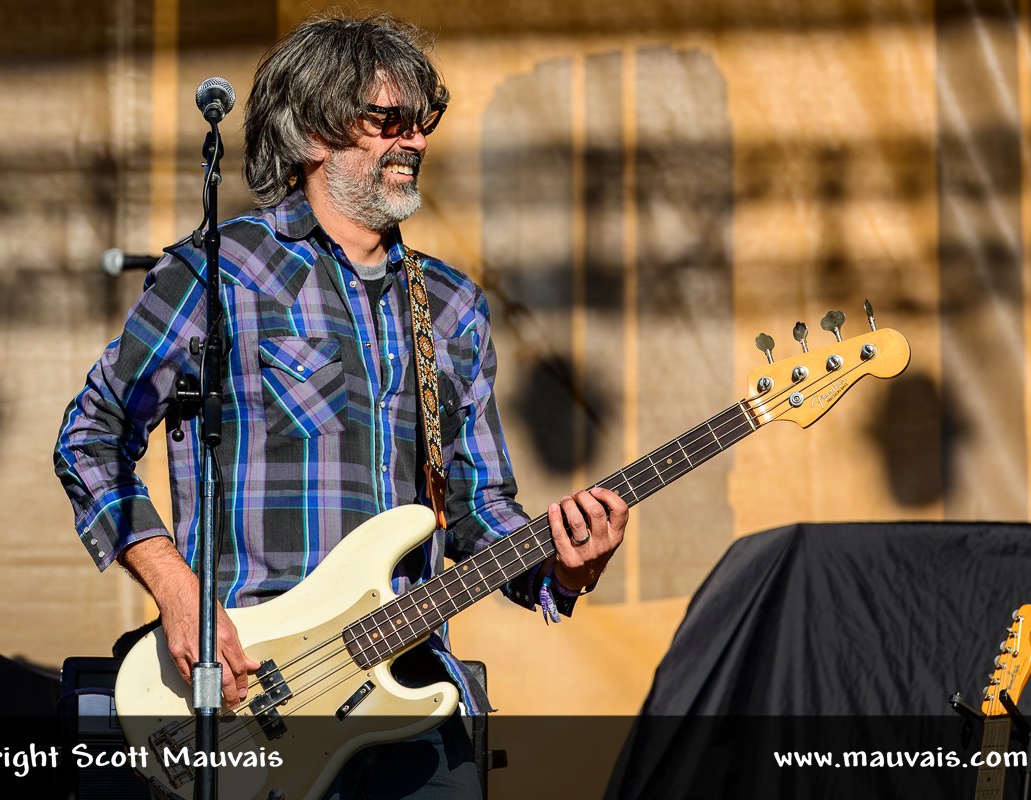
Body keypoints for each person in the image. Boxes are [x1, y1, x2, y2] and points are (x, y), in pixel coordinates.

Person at [54, 12, 628, 798]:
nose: (416, 141)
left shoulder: (452, 305)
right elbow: (92, 434)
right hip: (250, 684)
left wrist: (564, 568)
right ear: (315, 132)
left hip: (412, 702)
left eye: (425, 122)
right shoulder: (225, 272)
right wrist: (179, 593)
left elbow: (475, 505)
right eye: (389, 120)